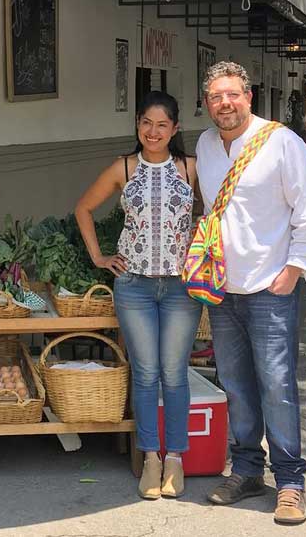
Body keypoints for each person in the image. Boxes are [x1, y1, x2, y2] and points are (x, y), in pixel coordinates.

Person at [196, 61, 306, 526]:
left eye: (232, 94)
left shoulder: (281, 143)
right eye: (215, 97)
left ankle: (290, 481)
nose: (224, 103)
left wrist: (294, 271)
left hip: (271, 286)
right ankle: (247, 469)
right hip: (224, 290)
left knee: (277, 386)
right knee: (235, 385)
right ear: (207, 103)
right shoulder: (206, 145)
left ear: (248, 97)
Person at [74, 91, 201, 501]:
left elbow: (219, 212)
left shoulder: (191, 168)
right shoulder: (124, 167)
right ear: (137, 125)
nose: (153, 131)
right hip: (134, 286)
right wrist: (98, 255)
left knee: (174, 373)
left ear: (175, 129)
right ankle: (151, 457)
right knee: (146, 374)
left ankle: (176, 458)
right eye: (147, 122)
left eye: (163, 124)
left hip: (182, 286)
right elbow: (84, 208)